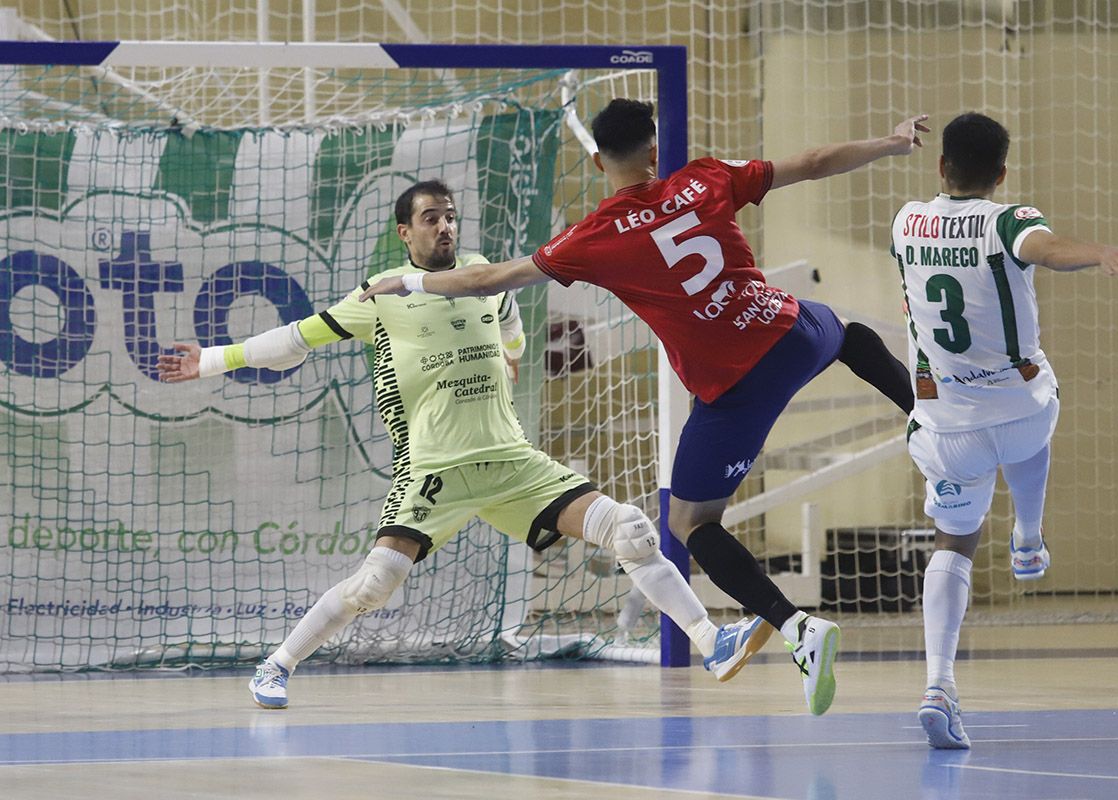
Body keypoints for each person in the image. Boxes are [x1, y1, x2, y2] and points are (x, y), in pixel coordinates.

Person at [359, 101, 929, 716]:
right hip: (789, 333)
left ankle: (798, 630)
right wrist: (891, 143)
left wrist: (408, 281)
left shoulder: (593, 237)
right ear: (655, 151)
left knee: (689, 524)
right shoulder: (705, 178)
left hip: (734, 385)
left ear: (598, 160)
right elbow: (814, 162)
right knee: (847, 333)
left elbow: (485, 280)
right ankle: (926, 415)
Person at [157, 180, 771, 709]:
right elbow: (295, 340)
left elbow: (510, 328)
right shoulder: (381, 295)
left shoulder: (484, 279)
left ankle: (710, 641)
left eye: (450, 215)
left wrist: (509, 355)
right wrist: (212, 359)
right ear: (406, 232)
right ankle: (277, 665)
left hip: (512, 463)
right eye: (431, 217)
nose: (444, 226)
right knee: (375, 586)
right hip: (435, 469)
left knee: (631, 530)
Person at [887, 112, 1118, 748]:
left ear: (942, 166)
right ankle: (1028, 536)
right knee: (1039, 404)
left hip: (946, 425)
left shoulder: (905, 220)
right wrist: (1099, 252)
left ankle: (938, 684)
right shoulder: (1009, 219)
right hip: (1022, 412)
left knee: (954, 540)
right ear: (1002, 174)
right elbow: (1047, 251)